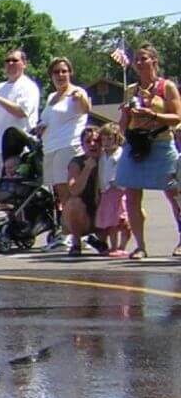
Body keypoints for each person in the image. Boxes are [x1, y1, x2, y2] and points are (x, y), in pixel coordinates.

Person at [115, 44, 181, 259]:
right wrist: (126, 115)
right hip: (136, 146)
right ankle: (140, 246)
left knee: (175, 194)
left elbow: (177, 117)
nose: (140, 63)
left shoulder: (166, 87)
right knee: (132, 194)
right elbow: (123, 125)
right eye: (137, 59)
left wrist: (153, 115)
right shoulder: (130, 90)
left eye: (144, 58)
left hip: (161, 143)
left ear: (154, 60)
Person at [36, 57, 91, 251]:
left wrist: (81, 99)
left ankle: (73, 235)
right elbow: (46, 120)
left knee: (68, 193)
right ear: (51, 76)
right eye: (56, 72)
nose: (60, 75)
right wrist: (40, 128)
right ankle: (68, 231)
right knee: (59, 195)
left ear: (70, 73)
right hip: (50, 148)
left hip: (68, 146)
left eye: (64, 71)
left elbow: (86, 109)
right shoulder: (51, 97)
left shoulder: (76, 92)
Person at [0, 48, 40, 179]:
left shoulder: (28, 86)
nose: (10, 63)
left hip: (17, 149)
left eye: (15, 60)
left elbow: (22, 112)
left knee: (13, 190)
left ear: (24, 64)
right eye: (8, 60)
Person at [61, 127, 103, 257]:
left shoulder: (109, 159)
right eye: (88, 141)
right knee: (74, 203)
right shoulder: (76, 163)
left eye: (96, 140)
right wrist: (87, 169)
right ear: (82, 145)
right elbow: (74, 190)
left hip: (103, 210)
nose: (93, 144)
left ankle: (106, 243)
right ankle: (76, 242)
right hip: (83, 214)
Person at [96, 124, 129, 258]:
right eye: (104, 140)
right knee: (110, 222)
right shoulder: (102, 155)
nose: (107, 143)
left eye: (110, 139)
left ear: (117, 138)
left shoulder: (121, 153)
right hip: (106, 192)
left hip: (118, 190)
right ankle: (113, 246)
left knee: (123, 221)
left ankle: (122, 246)